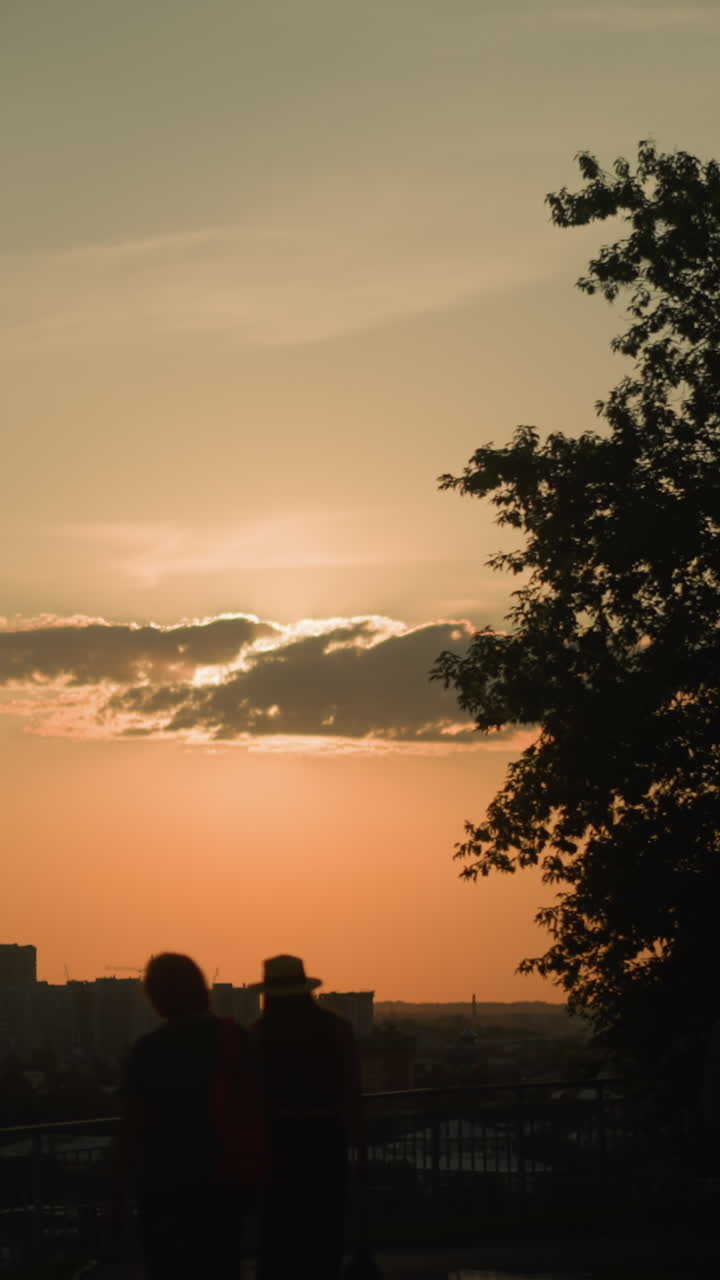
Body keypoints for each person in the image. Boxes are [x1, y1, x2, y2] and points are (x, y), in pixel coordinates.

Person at [118, 953, 263, 1278]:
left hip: (165, 1188)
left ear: (156, 997)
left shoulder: (149, 1050)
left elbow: (132, 1127)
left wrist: (117, 1192)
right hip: (222, 1182)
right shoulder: (234, 1038)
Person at [249, 954, 366, 1280]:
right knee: (324, 1237)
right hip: (326, 1142)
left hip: (276, 1147)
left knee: (277, 1241)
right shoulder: (337, 1030)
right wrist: (361, 1151)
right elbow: (353, 1095)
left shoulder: (258, 1035)